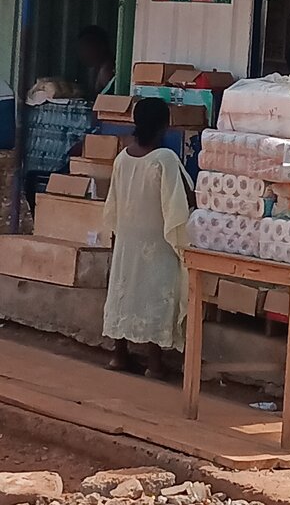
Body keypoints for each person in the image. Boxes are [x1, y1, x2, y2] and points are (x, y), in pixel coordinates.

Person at [102, 98, 191, 378]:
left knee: (123, 290)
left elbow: (113, 203)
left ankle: (120, 354)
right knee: (157, 294)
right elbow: (178, 203)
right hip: (158, 241)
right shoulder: (164, 159)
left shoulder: (122, 158)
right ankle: (154, 364)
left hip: (128, 238)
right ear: (164, 125)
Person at [78, 25, 115, 100]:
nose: (83, 53)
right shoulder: (96, 69)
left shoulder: (107, 69)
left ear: (102, 47)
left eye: (87, 48)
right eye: (81, 49)